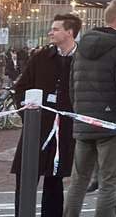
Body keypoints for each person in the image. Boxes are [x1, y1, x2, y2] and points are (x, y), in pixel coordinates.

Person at [64, 0, 116, 217]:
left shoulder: (81, 48)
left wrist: (80, 113)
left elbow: (73, 86)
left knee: (78, 182)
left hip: (84, 122)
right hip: (112, 125)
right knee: (110, 182)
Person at [10, 13, 80, 217]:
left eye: (56, 29)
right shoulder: (41, 57)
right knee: (25, 178)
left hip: (64, 130)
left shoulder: (82, 60)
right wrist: (29, 116)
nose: (50, 32)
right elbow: (21, 87)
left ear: (69, 32)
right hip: (37, 128)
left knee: (54, 179)